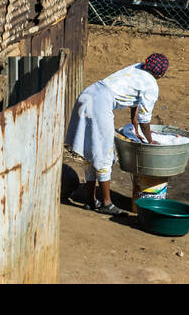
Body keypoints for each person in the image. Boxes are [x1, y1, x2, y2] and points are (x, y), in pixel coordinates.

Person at [65, 53, 168, 214]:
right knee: (104, 153)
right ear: (161, 74)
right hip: (100, 102)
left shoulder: (137, 67)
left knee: (91, 150)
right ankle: (106, 203)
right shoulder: (152, 86)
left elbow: (136, 105)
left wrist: (134, 126)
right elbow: (144, 119)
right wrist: (150, 140)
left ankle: (90, 200)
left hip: (88, 94)